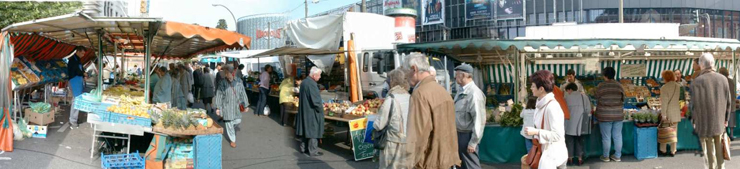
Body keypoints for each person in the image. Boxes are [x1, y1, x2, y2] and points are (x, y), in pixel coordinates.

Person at [403, 53, 460, 169]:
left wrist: (410, 163)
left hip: (429, 161)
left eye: (406, 72)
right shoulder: (443, 91)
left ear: (414, 69)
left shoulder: (419, 93)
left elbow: (417, 136)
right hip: (447, 159)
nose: (405, 77)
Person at [691, 53, 732, 169]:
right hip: (719, 122)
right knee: (719, 151)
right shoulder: (723, 79)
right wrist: (726, 119)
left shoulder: (697, 81)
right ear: (713, 64)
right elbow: (728, 101)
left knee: (709, 154)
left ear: (701, 65)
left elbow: (694, 105)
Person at [524, 70, 568, 169]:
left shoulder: (552, 107)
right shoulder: (541, 104)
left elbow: (557, 135)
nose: (531, 88)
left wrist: (536, 131)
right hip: (547, 155)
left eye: (533, 86)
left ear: (541, 89)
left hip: (554, 158)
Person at [373, 69, 412, 169]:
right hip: (409, 142)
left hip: (393, 143)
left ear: (392, 81)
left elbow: (379, 124)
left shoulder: (391, 99)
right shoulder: (410, 97)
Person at [453, 64, 486, 169]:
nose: (455, 77)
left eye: (457, 74)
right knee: (461, 165)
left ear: (463, 75)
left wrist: (473, 142)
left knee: (471, 166)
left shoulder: (474, 93)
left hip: (467, 136)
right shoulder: (461, 91)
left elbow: (479, 120)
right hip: (459, 135)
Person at [213, 64, 249, 148]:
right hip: (227, 106)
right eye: (225, 73)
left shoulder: (239, 81)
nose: (225, 75)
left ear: (232, 73)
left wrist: (246, 105)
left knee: (238, 120)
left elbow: (243, 93)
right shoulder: (222, 82)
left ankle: (231, 128)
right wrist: (218, 107)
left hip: (236, 106)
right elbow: (219, 95)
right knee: (229, 123)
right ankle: (233, 140)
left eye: (227, 73)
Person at [594, 67, 625, 162]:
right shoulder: (619, 86)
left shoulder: (601, 86)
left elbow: (596, 96)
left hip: (605, 115)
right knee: (617, 136)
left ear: (605, 75)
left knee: (606, 137)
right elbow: (623, 99)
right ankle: (617, 156)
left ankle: (606, 156)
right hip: (618, 115)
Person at [296, 67, 325, 156]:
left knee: (305, 128)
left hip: (305, 109)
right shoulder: (312, 84)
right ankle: (313, 151)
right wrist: (321, 110)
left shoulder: (304, 82)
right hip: (311, 111)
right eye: (319, 75)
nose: (320, 77)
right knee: (313, 129)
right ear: (314, 75)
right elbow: (316, 101)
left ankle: (303, 148)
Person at [563, 83, 591, 166]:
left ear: (570, 90)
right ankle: (579, 159)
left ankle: (570, 159)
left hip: (568, 124)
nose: (567, 92)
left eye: (567, 90)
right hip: (580, 124)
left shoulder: (566, 98)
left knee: (569, 142)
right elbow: (588, 110)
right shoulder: (584, 97)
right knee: (580, 141)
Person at [659, 70, 682, 157]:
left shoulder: (664, 88)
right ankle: (673, 150)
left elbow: (664, 103)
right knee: (674, 132)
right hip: (676, 111)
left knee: (665, 132)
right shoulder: (678, 86)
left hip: (668, 113)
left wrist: (663, 114)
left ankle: (663, 150)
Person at [67, 46, 87, 128]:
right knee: (76, 101)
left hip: (78, 82)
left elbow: (81, 70)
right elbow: (77, 71)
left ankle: (74, 119)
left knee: (76, 101)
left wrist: (83, 73)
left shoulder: (78, 60)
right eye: (82, 53)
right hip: (74, 82)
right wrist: (83, 74)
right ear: (78, 51)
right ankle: (73, 121)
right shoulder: (72, 60)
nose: (83, 55)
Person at [719, 67, 736, 140]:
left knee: (724, 119)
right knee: (731, 118)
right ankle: (731, 134)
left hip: (724, 102)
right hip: (732, 102)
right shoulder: (731, 81)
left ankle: (724, 134)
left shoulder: (721, 81)